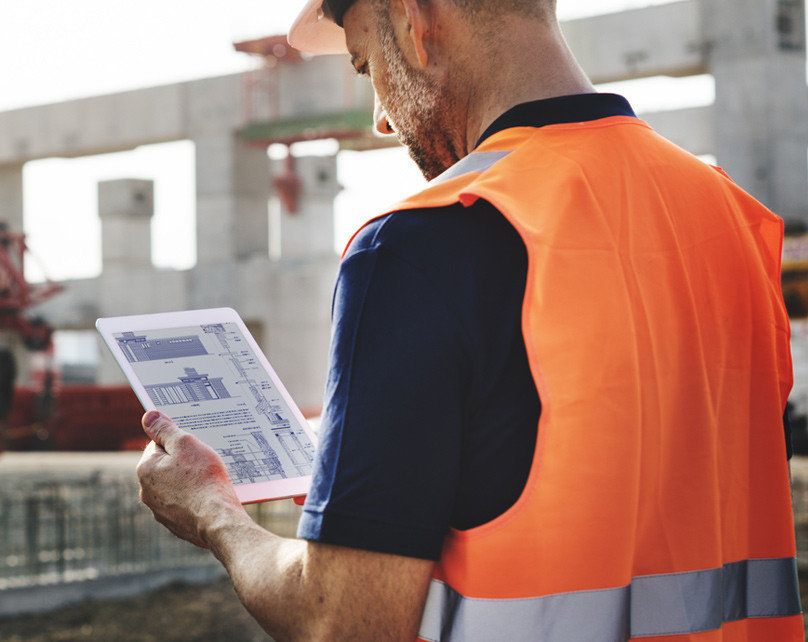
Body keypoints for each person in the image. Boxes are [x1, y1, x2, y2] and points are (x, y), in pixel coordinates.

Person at [136, 0, 803, 639]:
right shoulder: (732, 219)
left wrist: (216, 513)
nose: (380, 121)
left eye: (367, 64)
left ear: (414, 17)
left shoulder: (420, 246)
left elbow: (345, 624)